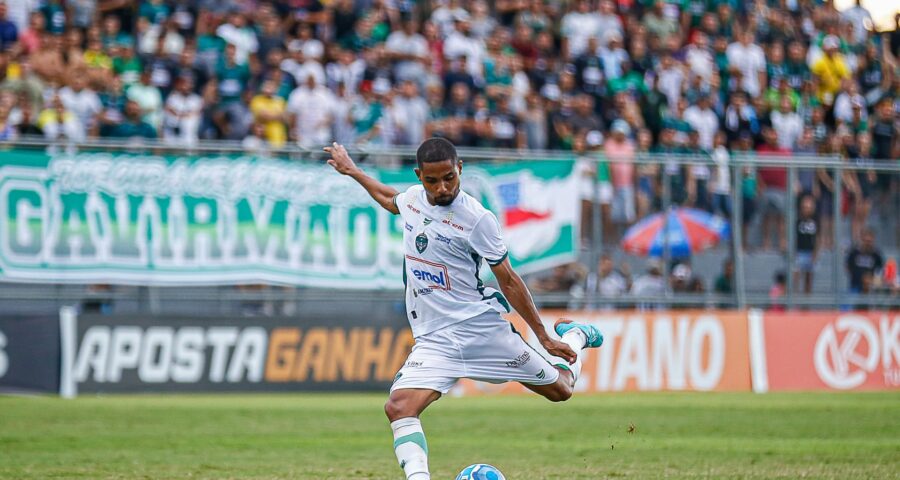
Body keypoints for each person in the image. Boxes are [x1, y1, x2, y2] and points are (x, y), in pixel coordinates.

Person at [324, 138, 604, 480]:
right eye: (432, 180)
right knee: (399, 407)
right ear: (419, 176)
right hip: (435, 339)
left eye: (449, 178)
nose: (442, 188)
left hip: (482, 331)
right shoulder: (413, 199)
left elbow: (509, 280)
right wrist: (352, 170)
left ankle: (576, 336)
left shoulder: (477, 219)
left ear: (460, 170)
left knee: (562, 390)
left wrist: (544, 335)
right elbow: (388, 198)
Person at [845, 228, 884, 294]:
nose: (867, 243)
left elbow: (880, 270)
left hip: (871, 288)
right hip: (855, 286)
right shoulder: (854, 253)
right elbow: (847, 267)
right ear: (862, 239)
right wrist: (859, 277)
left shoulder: (877, 255)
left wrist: (871, 279)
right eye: (866, 241)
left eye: (869, 241)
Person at [794, 195, 818, 295]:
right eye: (805, 207)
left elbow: (818, 238)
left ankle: (806, 304)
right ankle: (794, 299)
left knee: (808, 279)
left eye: (809, 207)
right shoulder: (797, 220)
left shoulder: (815, 221)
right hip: (799, 251)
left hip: (810, 252)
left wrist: (815, 253)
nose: (807, 209)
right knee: (795, 277)